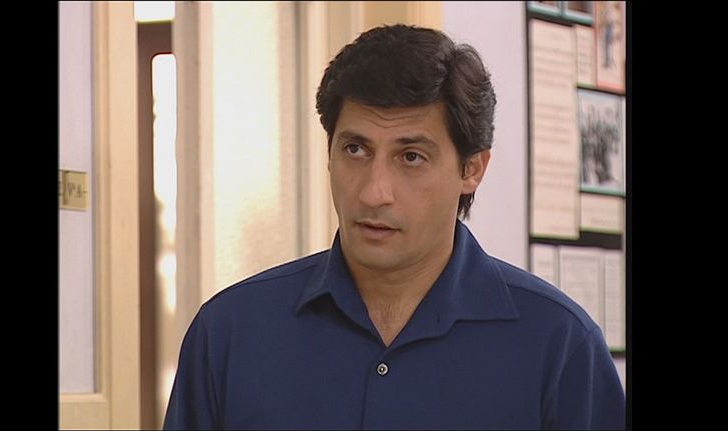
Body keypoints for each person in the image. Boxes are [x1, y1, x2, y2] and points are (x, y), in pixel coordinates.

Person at [163, 24, 626, 430]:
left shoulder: (559, 346)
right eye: (355, 150)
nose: (373, 192)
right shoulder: (230, 333)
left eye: (411, 157)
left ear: (472, 169)